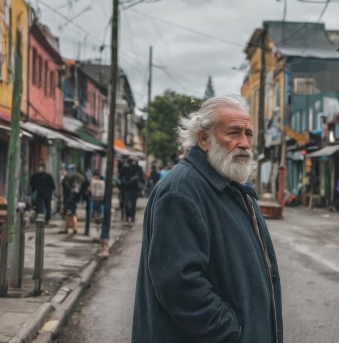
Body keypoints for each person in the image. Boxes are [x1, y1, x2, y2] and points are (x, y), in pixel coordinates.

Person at [132, 94, 283, 343]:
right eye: (233, 133)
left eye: (248, 134)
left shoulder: (231, 186)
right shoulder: (181, 191)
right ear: (204, 138)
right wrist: (232, 334)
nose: (244, 143)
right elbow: (180, 286)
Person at [119, 157, 145, 224]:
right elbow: (142, 179)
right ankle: (131, 217)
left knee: (127, 204)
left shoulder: (125, 168)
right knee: (132, 204)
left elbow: (120, 177)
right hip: (132, 189)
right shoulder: (138, 168)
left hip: (127, 189)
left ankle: (128, 217)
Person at [61, 165, 85, 234]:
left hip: (68, 200)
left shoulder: (67, 177)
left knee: (69, 214)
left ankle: (72, 228)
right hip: (73, 200)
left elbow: (64, 186)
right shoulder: (78, 177)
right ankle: (70, 228)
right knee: (71, 213)